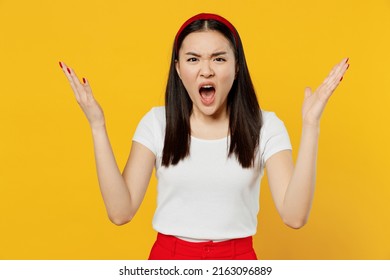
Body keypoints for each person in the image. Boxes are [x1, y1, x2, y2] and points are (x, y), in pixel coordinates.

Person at [59, 13, 349, 260]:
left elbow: (294, 216)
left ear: (237, 68)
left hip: (238, 262)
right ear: (178, 69)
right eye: (193, 59)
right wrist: (97, 125)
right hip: (167, 261)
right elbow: (120, 212)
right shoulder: (157, 123)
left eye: (219, 59)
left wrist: (311, 125)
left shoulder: (266, 127)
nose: (206, 70)